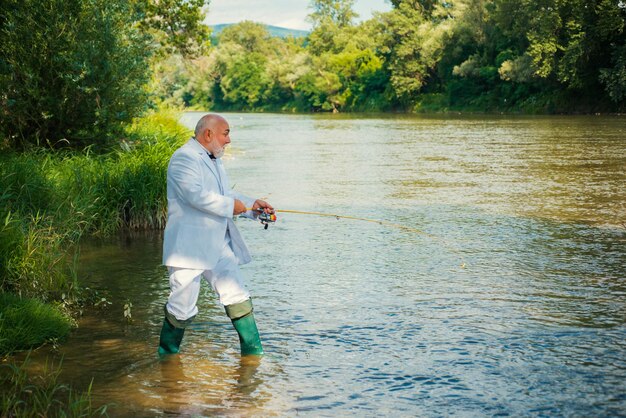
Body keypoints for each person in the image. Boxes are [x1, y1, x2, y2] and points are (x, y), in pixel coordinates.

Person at [158, 113, 273, 357]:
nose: (229, 140)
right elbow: (196, 196)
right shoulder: (183, 158)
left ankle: (254, 356)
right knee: (182, 307)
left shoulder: (215, 160)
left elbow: (224, 193)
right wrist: (233, 206)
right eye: (226, 133)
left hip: (217, 243)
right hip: (188, 249)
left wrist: (253, 205)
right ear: (208, 134)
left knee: (237, 294)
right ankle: (166, 360)